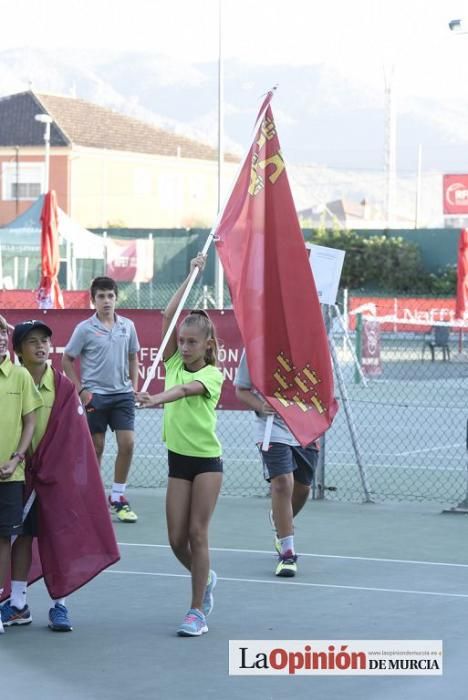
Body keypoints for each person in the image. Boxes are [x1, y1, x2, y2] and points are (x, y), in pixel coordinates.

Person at [1, 319, 120, 632]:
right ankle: (17, 604)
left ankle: (60, 605)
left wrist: (61, 470)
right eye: (32, 342)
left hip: (57, 478)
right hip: (23, 475)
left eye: (45, 341)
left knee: (59, 537)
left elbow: (72, 436)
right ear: (18, 352)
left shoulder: (63, 386)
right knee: (22, 537)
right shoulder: (13, 380)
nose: (41, 346)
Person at [137, 253, 223, 637]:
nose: (184, 346)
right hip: (178, 462)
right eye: (181, 341)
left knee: (197, 534)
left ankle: (195, 612)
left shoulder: (211, 375)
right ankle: (204, 578)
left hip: (206, 463)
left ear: (207, 345)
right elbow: (166, 315)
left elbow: (187, 390)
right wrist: (191, 274)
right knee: (175, 540)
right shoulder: (171, 361)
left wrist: (157, 399)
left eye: (192, 342)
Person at [62, 276, 140, 523]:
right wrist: (82, 390)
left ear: (116, 298)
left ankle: (118, 497)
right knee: (96, 447)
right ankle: (92, 498)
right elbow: (66, 359)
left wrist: (134, 388)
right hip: (95, 398)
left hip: (123, 396)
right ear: (93, 300)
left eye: (110, 296)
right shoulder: (84, 328)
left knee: (127, 444)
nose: (106, 301)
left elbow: (133, 357)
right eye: (101, 297)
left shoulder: (128, 326)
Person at [234, 350, 318, 577]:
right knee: (282, 483)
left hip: (305, 425)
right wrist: (261, 406)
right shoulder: (256, 345)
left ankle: (279, 520)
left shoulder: (310, 344)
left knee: (302, 488)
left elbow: (322, 386)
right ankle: (288, 552)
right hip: (272, 428)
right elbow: (241, 389)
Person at [0, 315, 42, 635]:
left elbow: (30, 422)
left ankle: (2, 602)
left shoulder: (19, 377)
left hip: (9, 476)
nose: (1, 338)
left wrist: (15, 459)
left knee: (3, 540)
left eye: (2, 333)